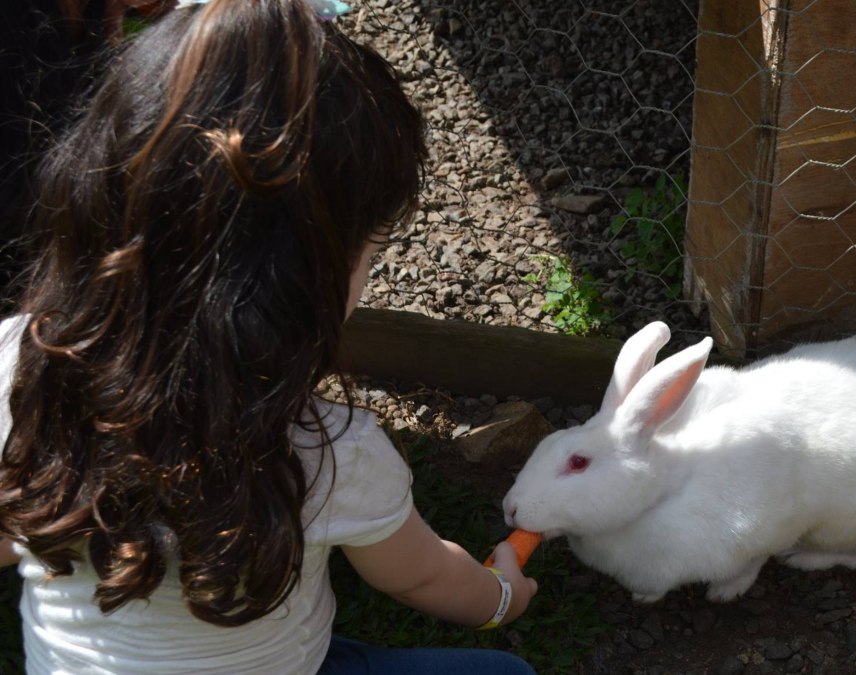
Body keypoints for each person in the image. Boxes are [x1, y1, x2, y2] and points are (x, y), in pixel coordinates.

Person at [0, 1, 538, 673]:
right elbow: (424, 577)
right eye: (368, 256)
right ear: (305, 286)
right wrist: (502, 593)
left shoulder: (19, 364)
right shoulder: (332, 453)